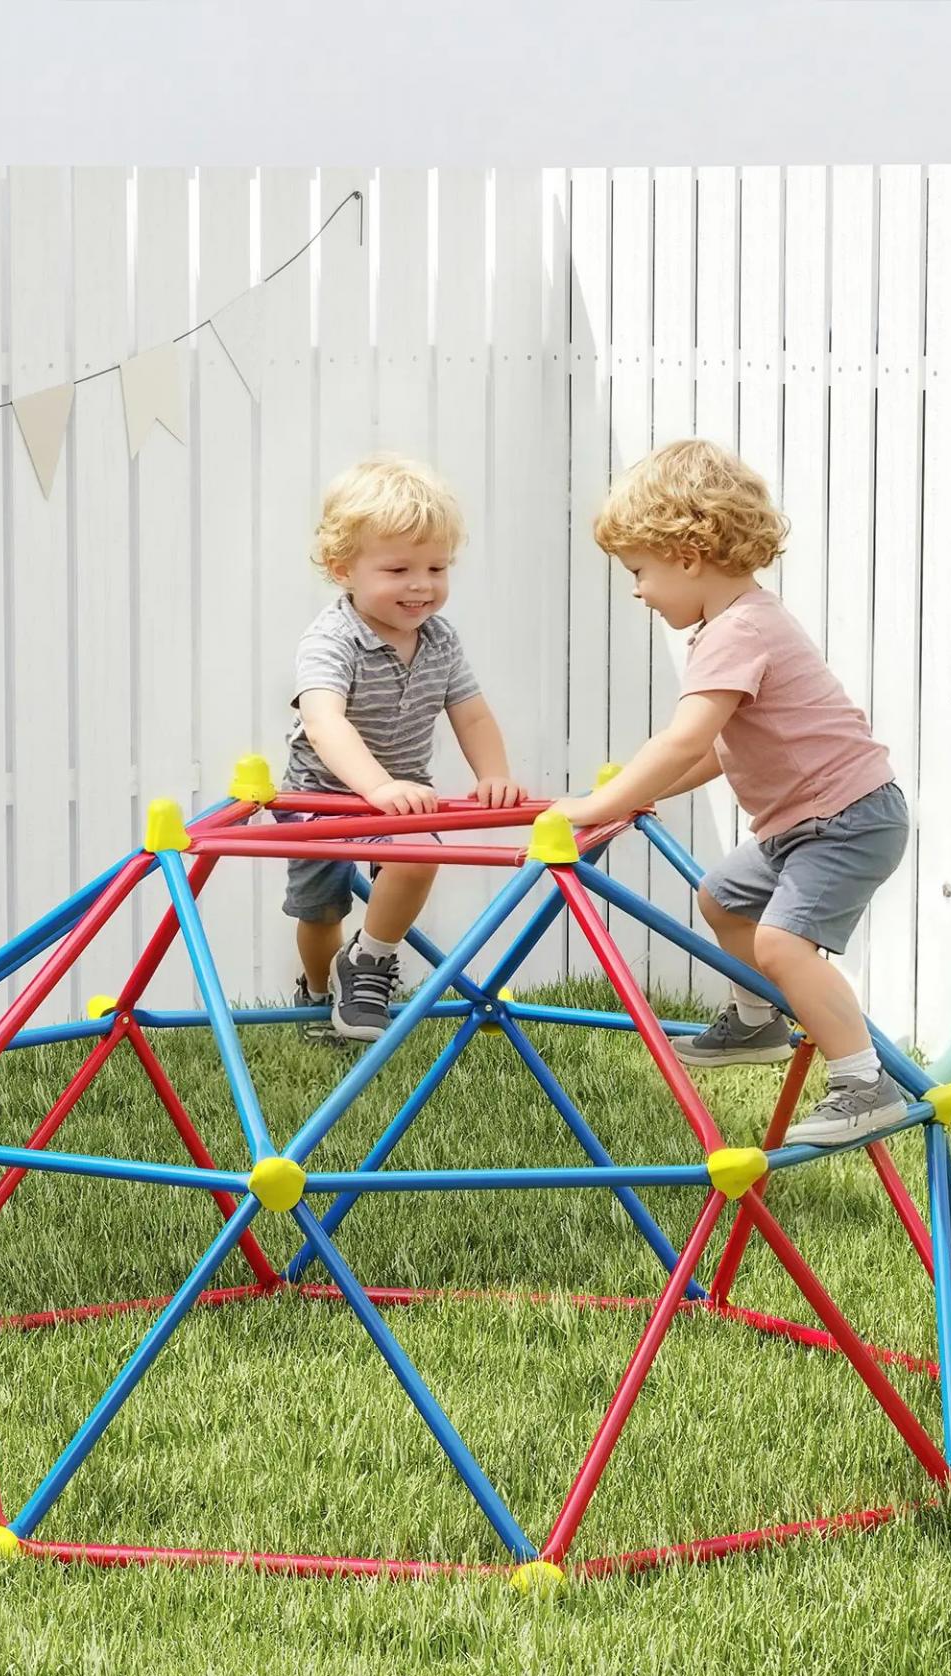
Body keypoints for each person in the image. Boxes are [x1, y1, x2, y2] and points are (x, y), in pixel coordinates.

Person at [549, 439, 912, 1148]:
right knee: (722, 895)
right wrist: (630, 796)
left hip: (846, 819)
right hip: (805, 821)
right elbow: (719, 751)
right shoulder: (744, 622)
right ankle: (757, 1020)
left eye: (640, 571)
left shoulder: (736, 633)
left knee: (781, 943)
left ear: (687, 557)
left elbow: (685, 740)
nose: (637, 591)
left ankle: (865, 1083)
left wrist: (598, 804)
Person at [281, 456, 524, 1042]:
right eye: (398, 569)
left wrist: (494, 773)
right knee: (320, 914)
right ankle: (317, 991)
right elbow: (324, 721)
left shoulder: (440, 638)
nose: (421, 585)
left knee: (417, 856)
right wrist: (377, 786)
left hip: (398, 802)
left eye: (437, 567)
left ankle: (368, 961)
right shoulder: (332, 638)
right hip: (323, 798)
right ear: (344, 569)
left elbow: (472, 711)